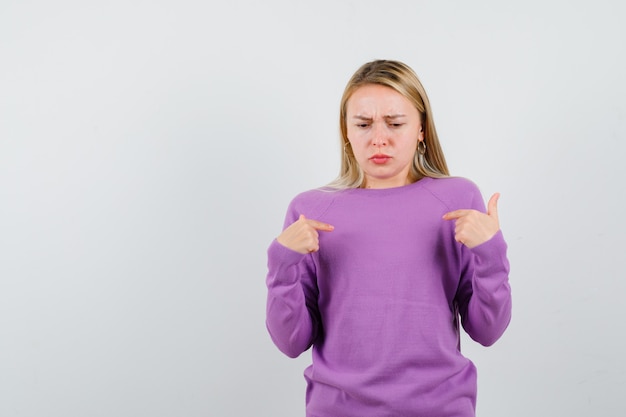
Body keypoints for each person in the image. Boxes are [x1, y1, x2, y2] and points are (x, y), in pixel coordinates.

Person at [265, 59, 512, 417]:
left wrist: (491, 254)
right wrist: (281, 262)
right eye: (363, 124)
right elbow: (291, 342)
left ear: (422, 129)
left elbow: (488, 330)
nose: (379, 138)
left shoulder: (457, 200)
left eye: (395, 123)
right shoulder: (310, 210)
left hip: (441, 408)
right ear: (346, 131)